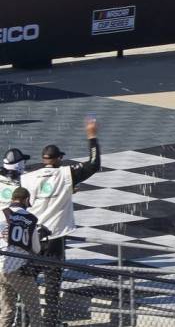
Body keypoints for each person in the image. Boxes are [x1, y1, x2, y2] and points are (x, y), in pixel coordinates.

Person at [21, 118, 100, 327]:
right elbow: (94, 164)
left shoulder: (28, 177)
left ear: (44, 158)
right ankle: (50, 322)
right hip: (55, 238)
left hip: (33, 237)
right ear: (59, 159)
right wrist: (92, 137)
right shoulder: (66, 174)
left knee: (28, 282)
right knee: (53, 284)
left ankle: (28, 320)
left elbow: (24, 201)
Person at [0, 187, 43, 327]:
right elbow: (36, 249)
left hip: (1, 267)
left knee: (7, 309)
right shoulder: (30, 219)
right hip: (17, 270)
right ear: (26, 200)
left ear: (12, 199)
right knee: (34, 308)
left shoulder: (1, 213)